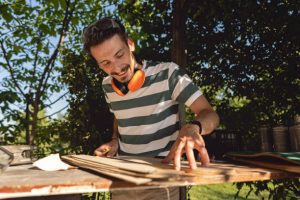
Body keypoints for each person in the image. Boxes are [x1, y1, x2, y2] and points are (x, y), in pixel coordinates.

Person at [83, 17, 219, 200]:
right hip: (122, 178)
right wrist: (115, 140)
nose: (116, 68)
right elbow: (119, 116)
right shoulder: (107, 86)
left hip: (161, 178)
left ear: (130, 44)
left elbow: (210, 114)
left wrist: (194, 126)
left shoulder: (168, 73)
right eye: (105, 63)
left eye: (119, 55)